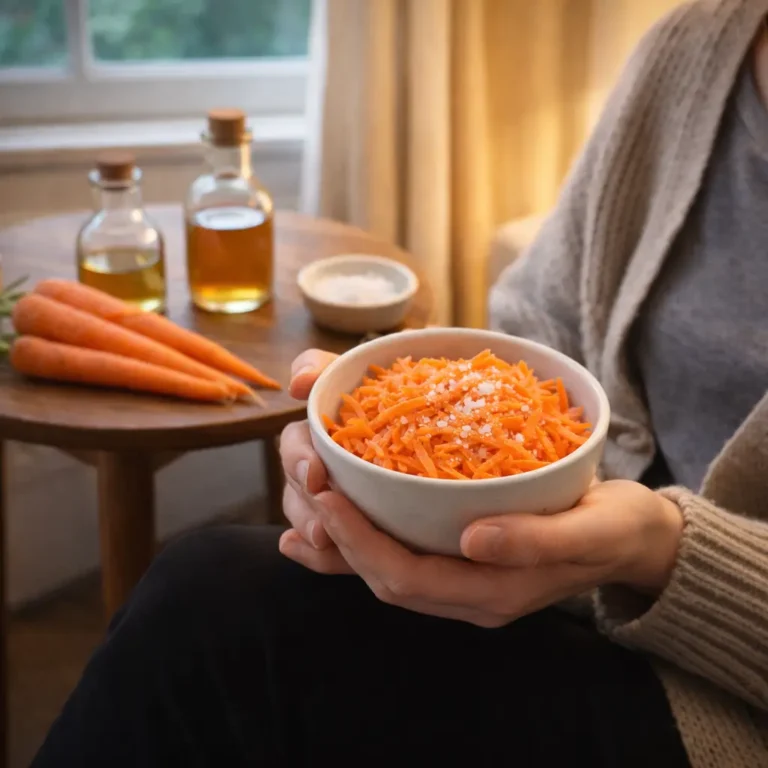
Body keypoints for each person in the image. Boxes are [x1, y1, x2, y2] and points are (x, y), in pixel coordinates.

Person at [32, 1, 768, 766]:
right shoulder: (694, 46)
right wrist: (419, 472)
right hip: (566, 585)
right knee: (202, 594)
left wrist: (656, 550)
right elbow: (544, 318)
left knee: (214, 619)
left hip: (729, 716)